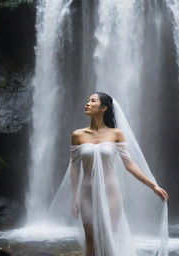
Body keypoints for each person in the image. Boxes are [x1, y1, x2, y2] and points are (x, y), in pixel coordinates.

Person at [69, 92, 169, 256]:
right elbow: (74, 169)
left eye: (92, 101)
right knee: (91, 239)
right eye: (88, 100)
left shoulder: (116, 134)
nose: (87, 103)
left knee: (110, 236)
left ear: (103, 108)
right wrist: (74, 197)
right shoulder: (78, 135)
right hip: (86, 193)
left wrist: (153, 186)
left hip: (111, 193)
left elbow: (129, 165)